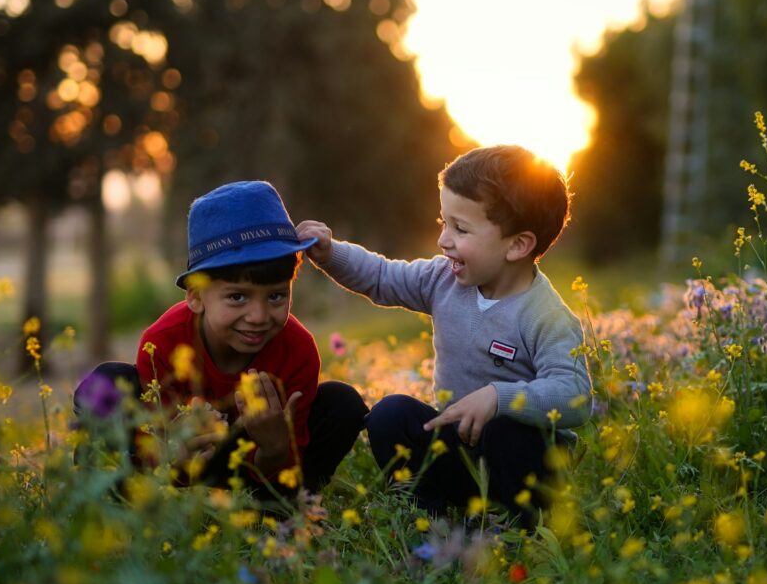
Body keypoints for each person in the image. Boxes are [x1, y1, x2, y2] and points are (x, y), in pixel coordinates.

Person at [296, 145, 592, 523]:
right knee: (390, 415)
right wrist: (330, 253)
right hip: (460, 451)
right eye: (443, 224)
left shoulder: (546, 316)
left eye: (460, 228)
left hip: (524, 467)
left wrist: (499, 397)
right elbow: (383, 277)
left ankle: (506, 525)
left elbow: (575, 395)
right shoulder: (443, 279)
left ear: (518, 245)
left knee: (507, 429)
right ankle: (427, 517)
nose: (444, 240)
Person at [74, 180, 367, 498]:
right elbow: (158, 448)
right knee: (106, 382)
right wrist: (177, 453)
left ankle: (284, 511)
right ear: (197, 297)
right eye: (238, 297)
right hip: (177, 466)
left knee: (342, 403)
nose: (258, 316)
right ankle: (104, 498)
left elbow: (284, 465)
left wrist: (273, 445)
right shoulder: (163, 343)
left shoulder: (298, 351)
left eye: (277, 296)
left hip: (260, 471)